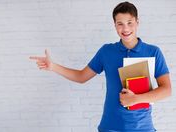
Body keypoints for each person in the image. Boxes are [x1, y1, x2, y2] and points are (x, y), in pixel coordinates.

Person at [29, 1, 171, 132]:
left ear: (137, 22)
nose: (125, 28)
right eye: (120, 23)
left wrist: (136, 99)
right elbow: (81, 76)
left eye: (130, 22)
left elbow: (166, 90)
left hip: (143, 128)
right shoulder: (106, 51)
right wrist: (53, 66)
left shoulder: (153, 52)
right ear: (114, 25)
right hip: (110, 127)